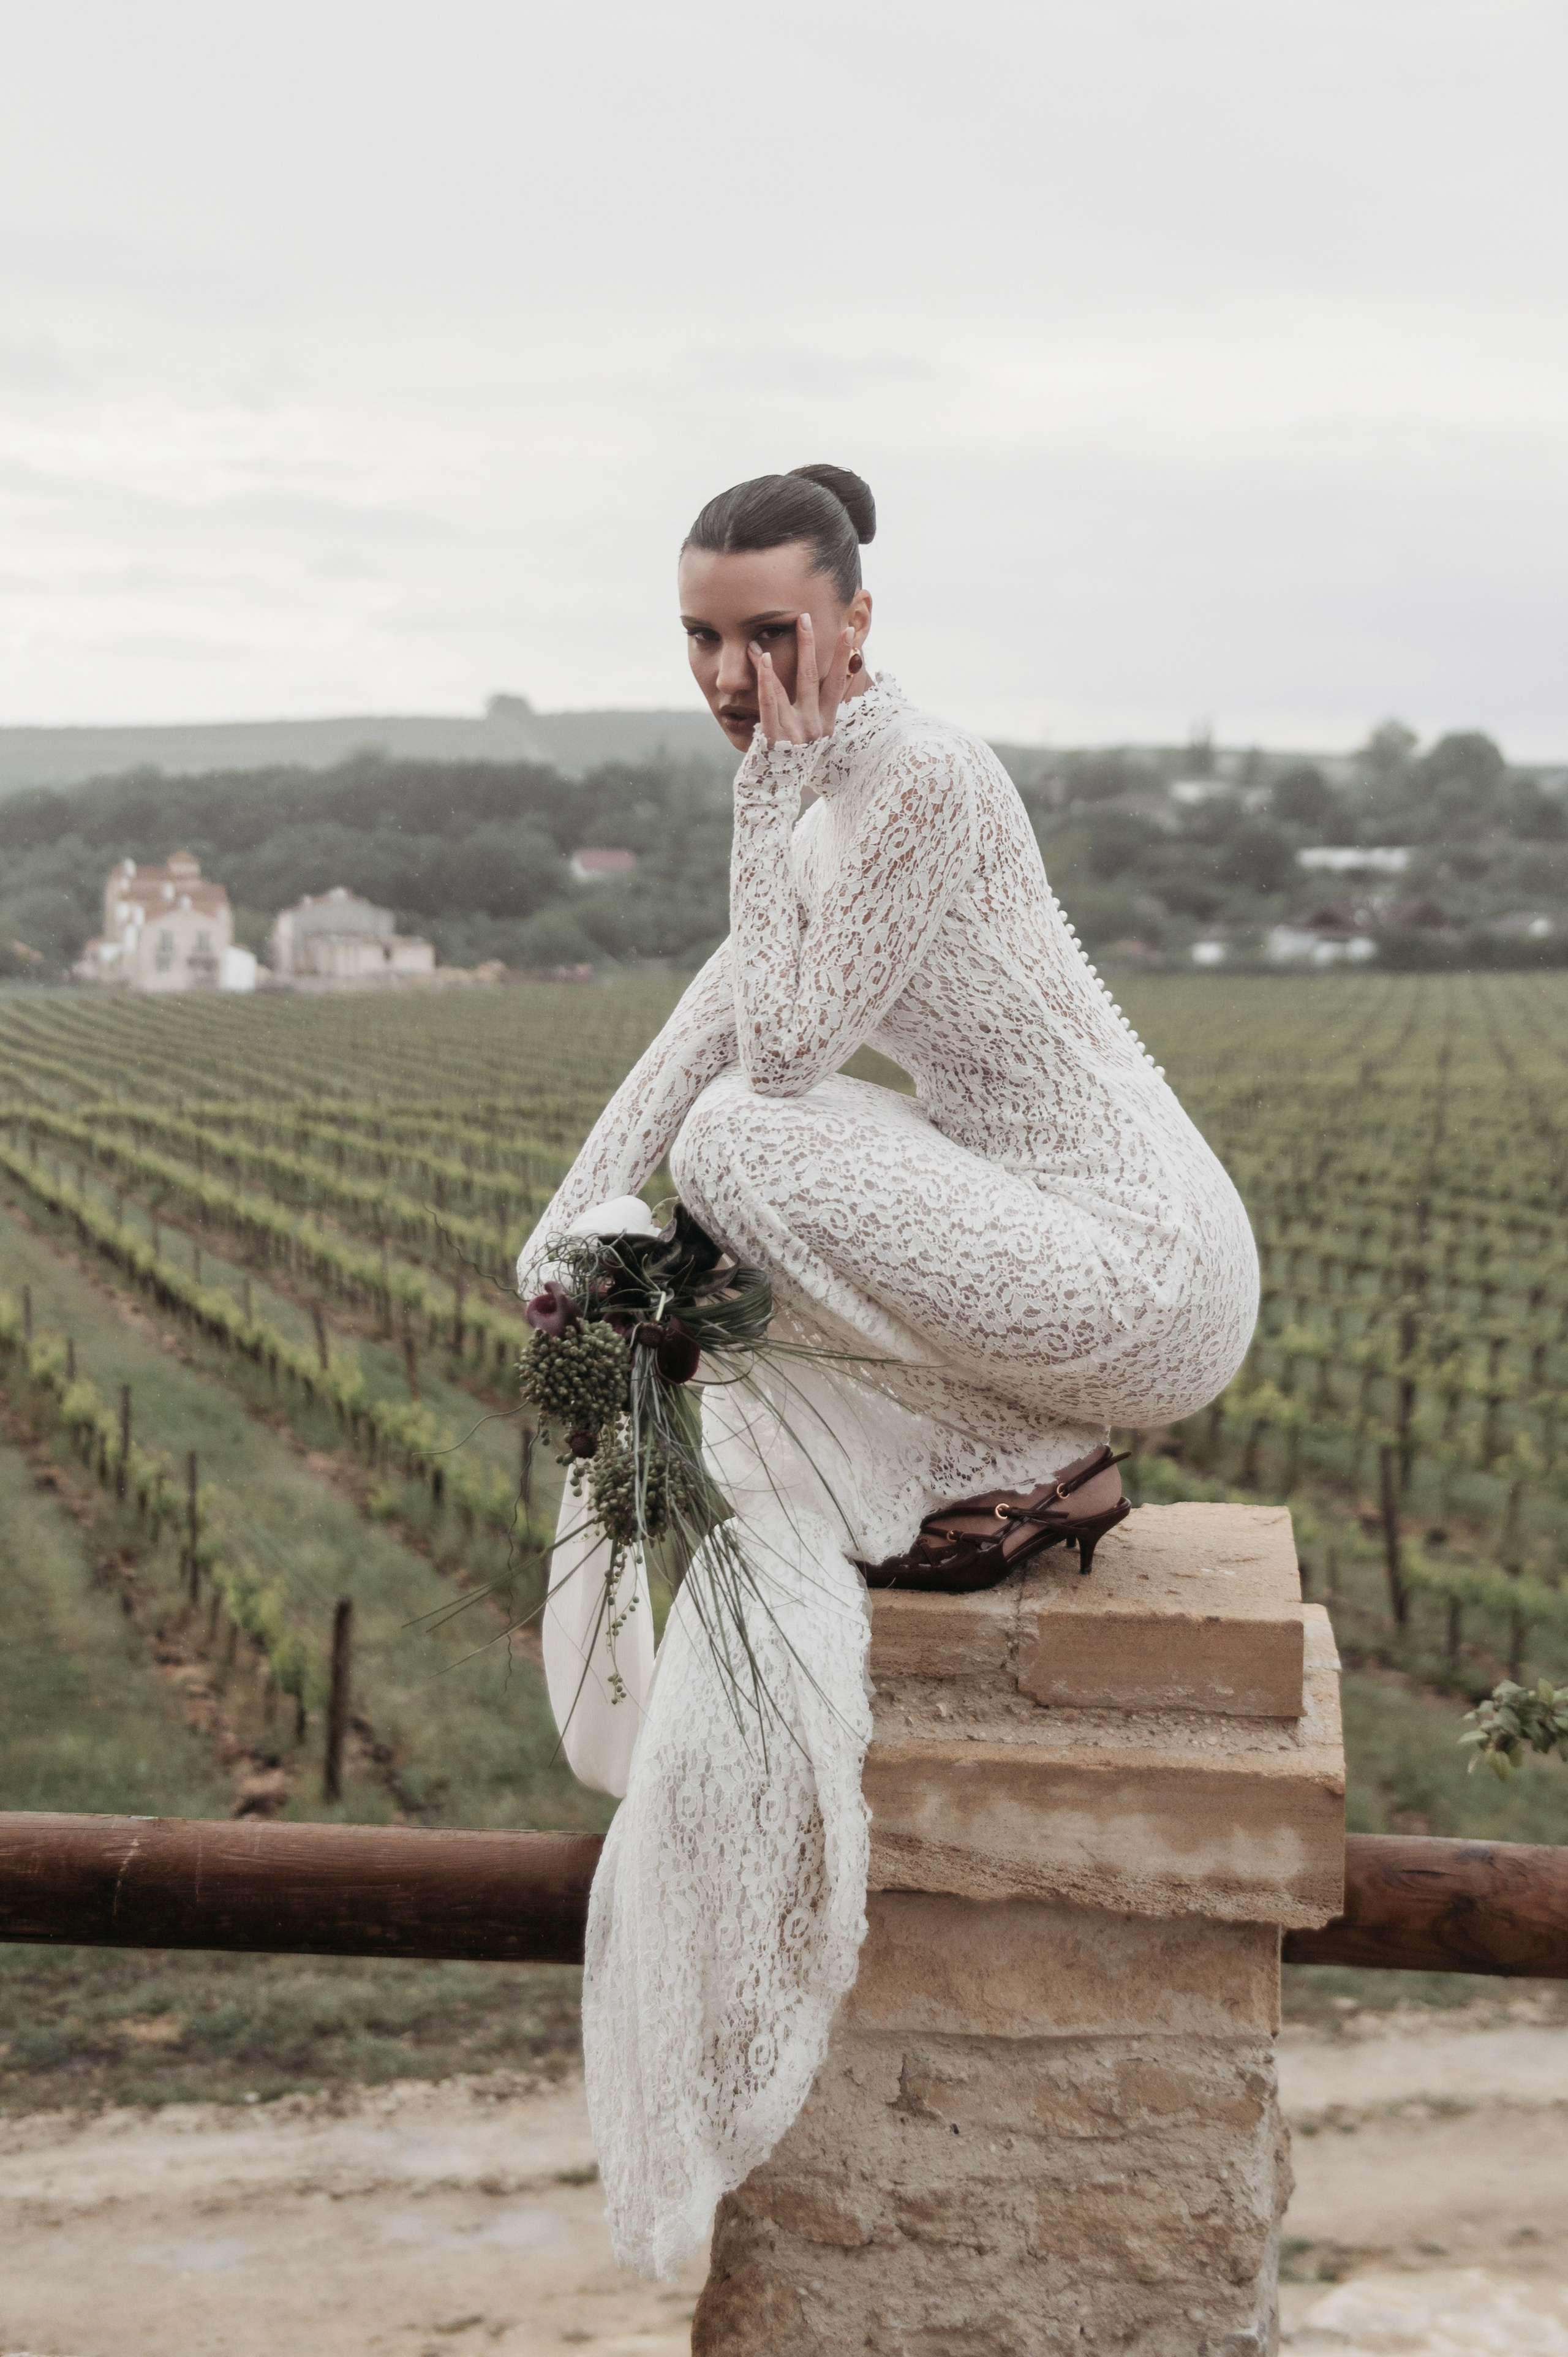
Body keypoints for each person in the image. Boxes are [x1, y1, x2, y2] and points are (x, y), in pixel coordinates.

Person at [515, 464, 1259, 2278]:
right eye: (701, 638)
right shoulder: (818, 803)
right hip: (1028, 1230)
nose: (733, 676)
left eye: (771, 633)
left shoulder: (921, 780)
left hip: (1144, 1255)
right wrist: (557, 1255)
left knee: (750, 1147)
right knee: (712, 1155)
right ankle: (1013, 1446)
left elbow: (774, 1060)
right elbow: (698, 1026)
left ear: (857, 621)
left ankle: (1017, 1439)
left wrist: (769, 795)